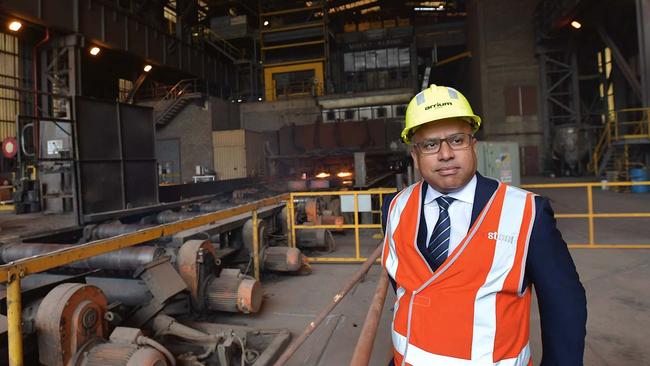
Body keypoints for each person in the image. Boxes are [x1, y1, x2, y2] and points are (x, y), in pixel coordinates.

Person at [381, 85, 587, 366]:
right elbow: (406, 284)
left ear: (473, 145)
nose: (445, 154)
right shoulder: (394, 208)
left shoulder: (526, 213)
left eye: (456, 140)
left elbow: (564, 306)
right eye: (430, 144)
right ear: (415, 155)